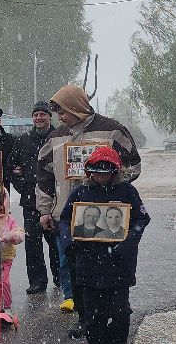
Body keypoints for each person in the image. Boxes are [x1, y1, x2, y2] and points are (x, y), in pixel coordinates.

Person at [33, 85, 141, 316]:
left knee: (108, 265)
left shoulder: (112, 130)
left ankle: (115, 311)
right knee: (71, 265)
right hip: (68, 214)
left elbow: (134, 165)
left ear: (76, 107)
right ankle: (84, 317)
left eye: (62, 111)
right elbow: (43, 176)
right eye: (57, 112)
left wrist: (105, 179)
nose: (59, 117)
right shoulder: (55, 137)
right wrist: (44, 210)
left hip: (107, 215)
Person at [63, 145, 149, 344]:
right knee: (93, 315)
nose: (101, 176)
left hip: (118, 265)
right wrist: (69, 242)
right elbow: (65, 220)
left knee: (121, 313)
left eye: (106, 171)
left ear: (115, 171)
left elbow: (142, 219)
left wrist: (128, 242)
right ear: (89, 171)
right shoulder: (80, 194)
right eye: (96, 171)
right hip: (88, 265)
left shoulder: (127, 192)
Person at [11, 102, 59, 294]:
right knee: (32, 243)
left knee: (55, 241)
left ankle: (60, 278)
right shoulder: (23, 140)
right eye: (36, 115)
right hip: (30, 200)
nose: (39, 118)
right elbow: (12, 167)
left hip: (55, 199)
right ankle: (37, 282)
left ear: (50, 117)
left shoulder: (59, 137)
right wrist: (23, 186)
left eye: (43, 114)